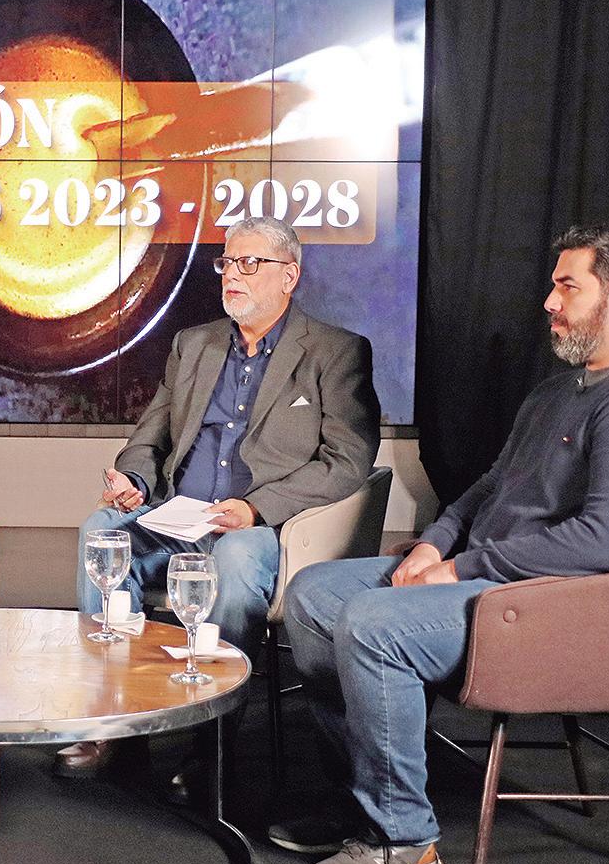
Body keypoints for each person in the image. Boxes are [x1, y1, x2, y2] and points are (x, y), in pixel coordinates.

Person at [279, 224, 609, 864]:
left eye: (568, 286)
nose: (549, 301)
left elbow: (600, 542)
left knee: (372, 623)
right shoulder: (561, 390)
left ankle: (402, 839)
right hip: (505, 581)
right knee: (313, 597)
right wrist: (435, 541)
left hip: (572, 610)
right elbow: (490, 485)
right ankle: (363, 802)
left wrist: (457, 569)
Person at [58, 216, 381, 785]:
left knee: (233, 558)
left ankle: (211, 745)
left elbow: (348, 460)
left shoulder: (335, 352)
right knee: (102, 533)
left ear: (290, 276)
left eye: (250, 263)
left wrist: (256, 509)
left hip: (262, 529)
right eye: (228, 262)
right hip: (177, 516)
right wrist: (134, 478)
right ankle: (118, 720)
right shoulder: (194, 345)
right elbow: (151, 435)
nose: (233, 275)